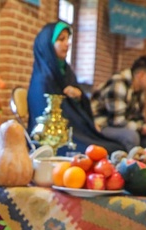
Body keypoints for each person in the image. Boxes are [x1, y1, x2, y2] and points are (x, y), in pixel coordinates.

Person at [27, 21, 123, 154]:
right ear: (47, 45)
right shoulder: (42, 79)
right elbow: (43, 120)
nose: (67, 43)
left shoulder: (66, 71)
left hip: (75, 129)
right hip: (55, 137)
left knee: (116, 146)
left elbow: (77, 103)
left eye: (68, 39)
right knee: (105, 150)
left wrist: (79, 96)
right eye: (61, 39)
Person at [91, 55, 146, 150]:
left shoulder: (139, 90)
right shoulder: (118, 83)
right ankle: (129, 164)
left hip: (118, 125)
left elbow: (140, 119)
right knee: (131, 136)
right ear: (141, 75)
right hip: (101, 126)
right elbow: (117, 121)